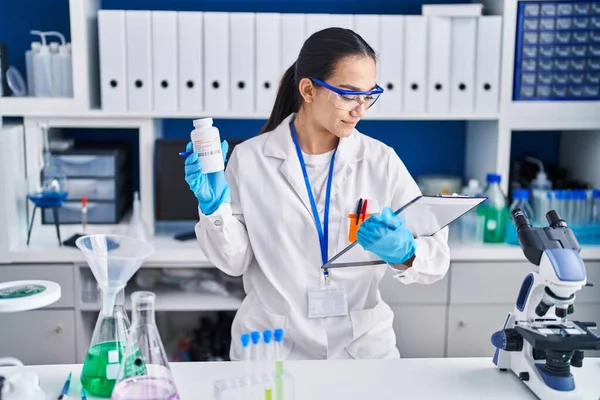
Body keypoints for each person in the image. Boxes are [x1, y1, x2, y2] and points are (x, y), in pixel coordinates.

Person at [183, 27, 450, 360]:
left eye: (369, 95)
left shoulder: (381, 160)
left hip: (362, 348)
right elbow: (234, 262)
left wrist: (405, 252)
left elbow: (437, 260)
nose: (360, 109)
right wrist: (214, 209)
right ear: (308, 89)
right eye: (348, 95)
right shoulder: (251, 159)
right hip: (273, 347)